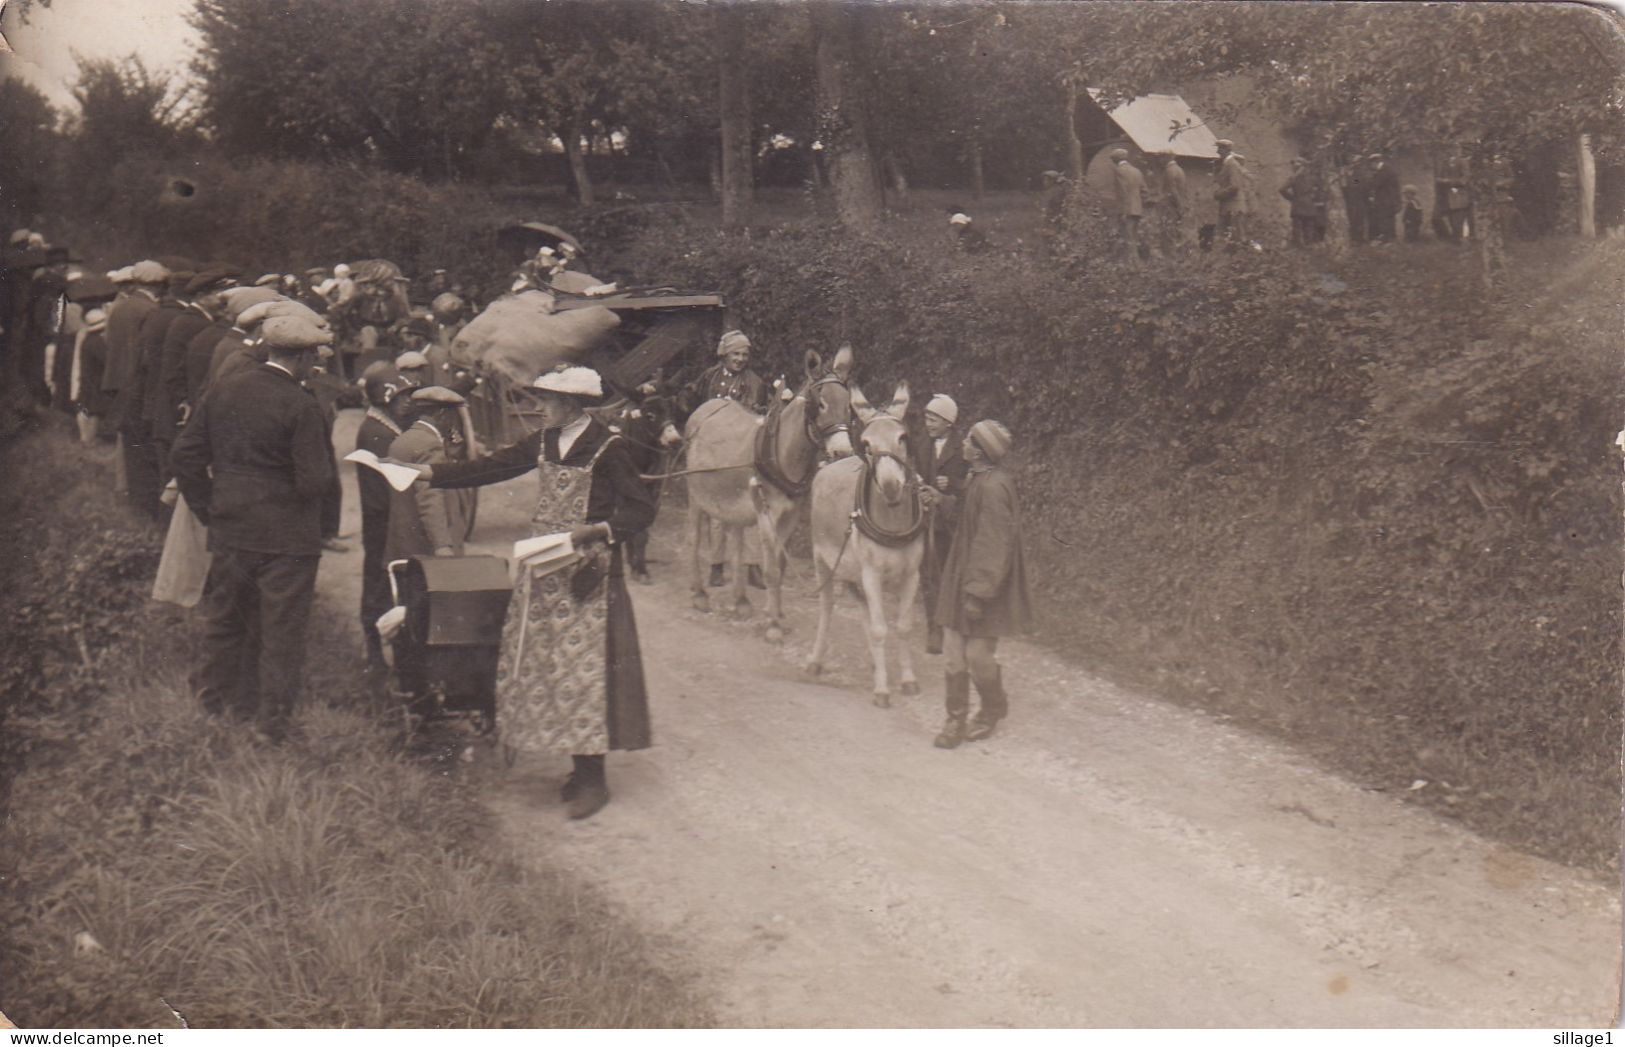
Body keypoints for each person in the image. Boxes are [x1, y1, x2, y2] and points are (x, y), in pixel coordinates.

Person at [405, 365, 656, 819]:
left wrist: (596, 531)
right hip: (544, 568)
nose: (539, 408)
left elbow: (640, 509)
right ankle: (577, 769)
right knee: (548, 665)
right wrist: (427, 474)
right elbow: (491, 466)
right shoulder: (543, 442)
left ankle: (593, 778)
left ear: (573, 405)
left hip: (587, 571)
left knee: (583, 671)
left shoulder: (609, 447)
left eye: (547, 401)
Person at [171, 314, 339, 743]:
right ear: (302, 358)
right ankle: (271, 727)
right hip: (287, 539)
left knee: (226, 620)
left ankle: (212, 711)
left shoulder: (224, 390)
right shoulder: (302, 405)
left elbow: (186, 455)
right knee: (281, 632)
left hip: (231, 528)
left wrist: (209, 505)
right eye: (313, 358)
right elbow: (314, 482)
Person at [931, 420, 1033, 750]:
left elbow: (993, 543)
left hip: (982, 583)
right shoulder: (979, 480)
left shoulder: (994, 487)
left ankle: (992, 709)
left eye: (968, 440)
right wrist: (940, 501)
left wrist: (977, 593)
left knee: (977, 656)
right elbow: (965, 520)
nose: (962, 444)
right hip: (962, 575)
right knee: (951, 651)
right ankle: (955, 718)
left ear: (979, 450)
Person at [355, 362, 413, 673]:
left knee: (380, 583)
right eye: (402, 397)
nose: (408, 402)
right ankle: (377, 653)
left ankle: (378, 652)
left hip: (382, 519)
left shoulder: (381, 425)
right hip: (384, 522)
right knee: (381, 586)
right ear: (385, 397)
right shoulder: (378, 433)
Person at [384, 386, 470, 562]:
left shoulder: (404, 440)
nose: (454, 423)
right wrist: (442, 545)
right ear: (441, 414)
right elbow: (431, 499)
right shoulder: (430, 445)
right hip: (426, 546)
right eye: (452, 416)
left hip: (404, 538)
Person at [913, 393, 968, 656]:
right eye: (927, 417)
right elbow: (913, 473)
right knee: (929, 574)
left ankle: (956, 626)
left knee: (952, 573)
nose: (929, 423)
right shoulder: (922, 443)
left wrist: (953, 486)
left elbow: (973, 484)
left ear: (949, 422)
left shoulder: (964, 447)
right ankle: (934, 628)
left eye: (935, 419)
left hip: (953, 521)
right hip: (928, 520)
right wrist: (921, 490)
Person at [684, 329, 769, 415]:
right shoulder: (710, 375)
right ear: (725, 355)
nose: (740, 359)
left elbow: (758, 412)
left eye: (745, 355)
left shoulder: (754, 382)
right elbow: (687, 399)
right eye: (736, 354)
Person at [1110, 147, 1147, 262]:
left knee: (1127, 237)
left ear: (1115, 160)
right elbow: (1144, 191)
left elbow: (1122, 192)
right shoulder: (1137, 171)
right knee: (1134, 237)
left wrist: (1124, 211)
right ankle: (1135, 263)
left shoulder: (1118, 171)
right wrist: (1139, 204)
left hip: (1126, 210)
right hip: (1137, 209)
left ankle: (1133, 265)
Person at [1280, 157, 1328, 246]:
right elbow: (1321, 191)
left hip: (1297, 206)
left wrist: (1292, 198)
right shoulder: (1313, 178)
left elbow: (1282, 189)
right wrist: (1316, 201)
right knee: (1308, 231)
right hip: (1310, 206)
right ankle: (1309, 250)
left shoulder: (1293, 178)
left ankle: (1299, 251)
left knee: (1297, 233)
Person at [1213, 140, 1251, 247]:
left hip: (1234, 205)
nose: (1217, 151)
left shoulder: (1232, 164)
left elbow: (1235, 186)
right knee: (1226, 236)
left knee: (1236, 236)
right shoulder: (1227, 164)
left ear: (1226, 150)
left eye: (1220, 149)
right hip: (1229, 205)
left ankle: (1241, 259)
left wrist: (1220, 194)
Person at [1367, 153, 1401, 243]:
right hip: (1389, 199)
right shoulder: (1386, 169)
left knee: (1385, 220)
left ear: (1375, 162)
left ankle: (1388, 240)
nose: (1370, 167)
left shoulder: (1384, 170)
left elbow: (1374, 184)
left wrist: (1356, 181)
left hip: (1387, 200)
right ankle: (1390, 239)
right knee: (1388, 220)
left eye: (1371, 164)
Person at [1160, 156, 1189, 253]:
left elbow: (1172, 189)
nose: (1160, 160)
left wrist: (1178, 204)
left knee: (1169, 231)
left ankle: (1171, 255)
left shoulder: (1169, 170)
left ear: (1166, 158)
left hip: (1171, 205)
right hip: (1179, 204)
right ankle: (1180, 253)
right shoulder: (1179, 169)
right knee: (1178, 229)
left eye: (1161, 157)